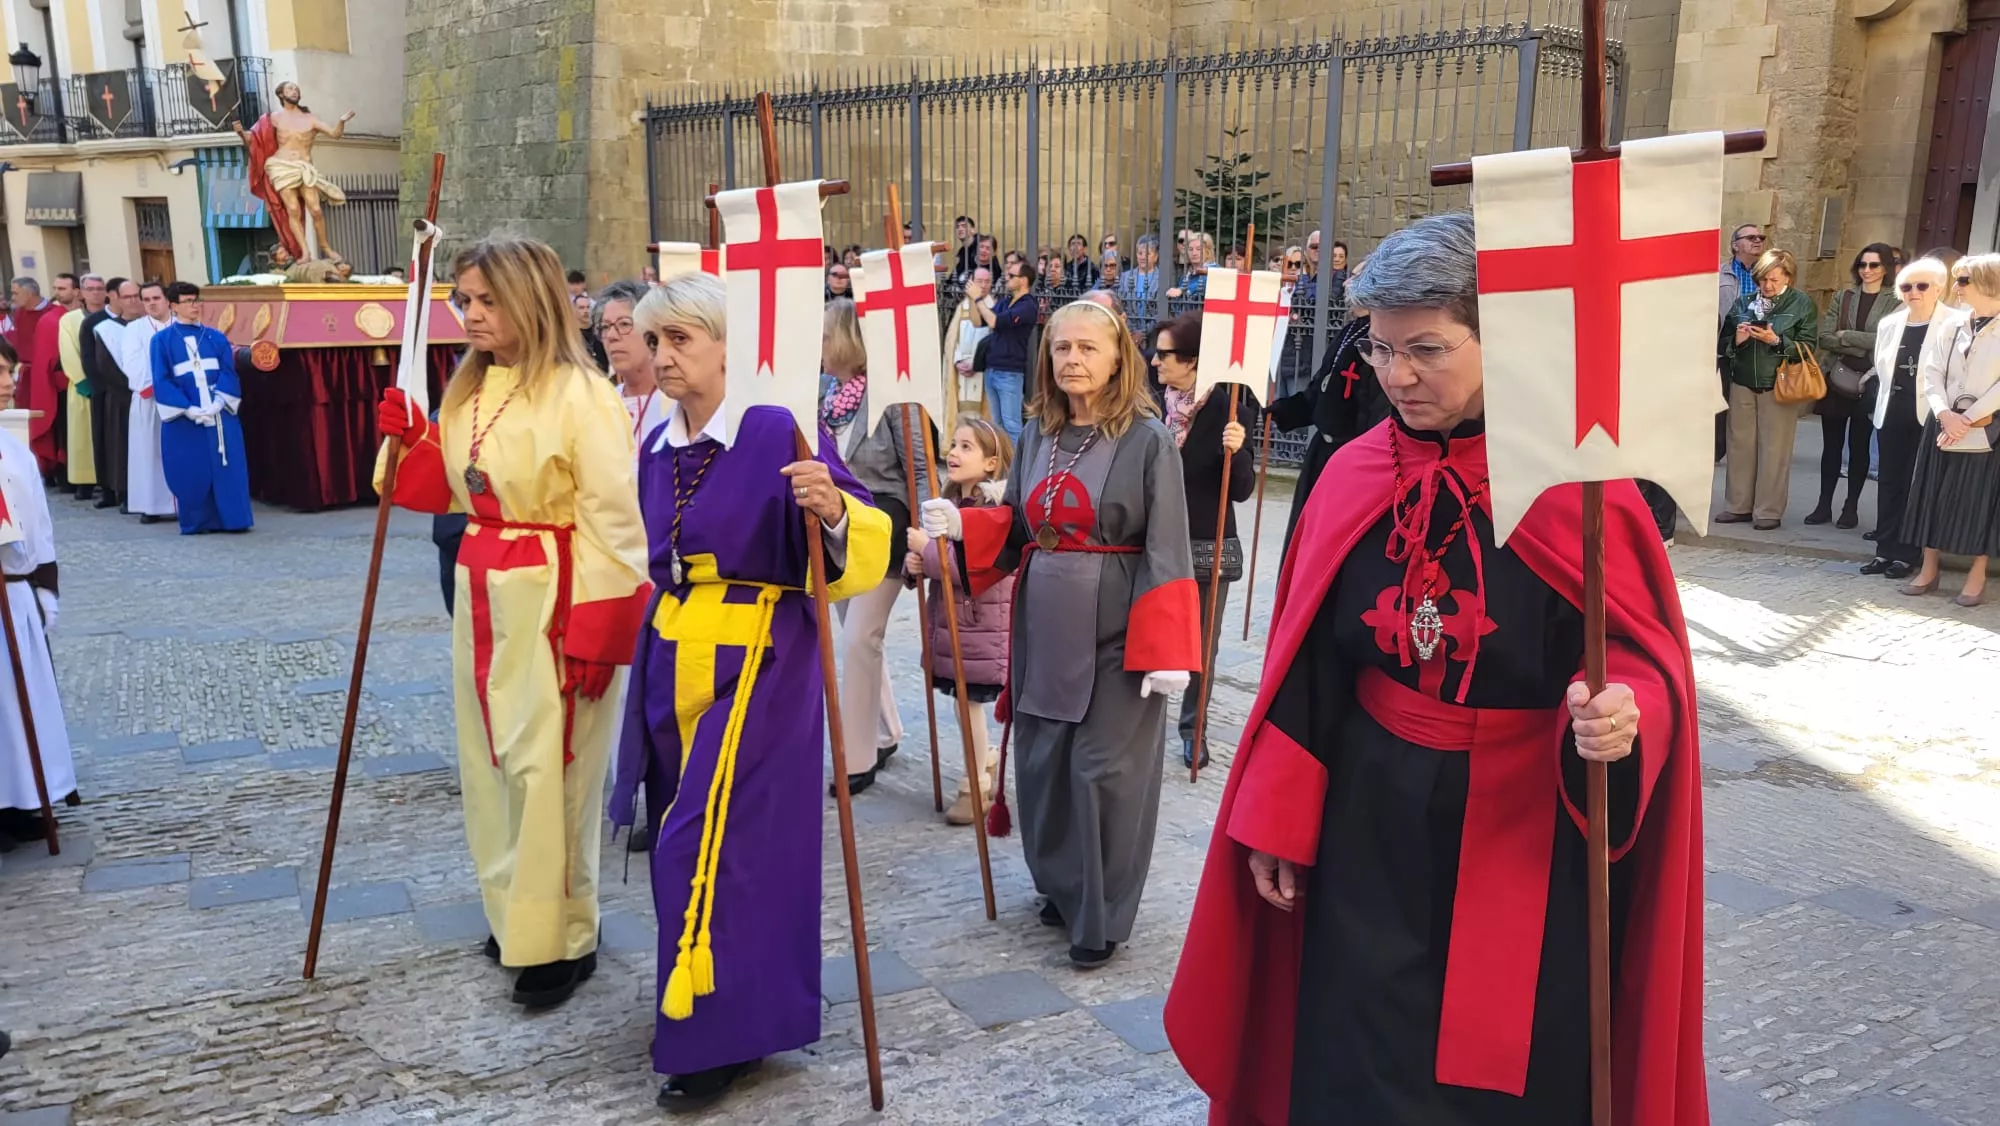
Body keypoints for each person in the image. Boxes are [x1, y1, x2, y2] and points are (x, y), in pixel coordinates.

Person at [1165, 212, 1705, 1126]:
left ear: (1499, 336)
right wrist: (1273, 819)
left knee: (1507, 1073)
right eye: (1378, 351)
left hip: (1530, 823)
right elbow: (1307, 669)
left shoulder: (1581, 489)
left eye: (1426, 349)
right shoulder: (1351, 475)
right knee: (1355, 1051)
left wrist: (1628, 712)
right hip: (1367, 818)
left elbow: (1643, 661)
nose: (1397, 376)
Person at [606, 274, 891, 1111]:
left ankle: (710, 1035)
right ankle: (717, 1001)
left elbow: (865, 536)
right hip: (674, 663)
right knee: (693, 840)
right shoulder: (660, 443)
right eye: (654, 342)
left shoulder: (776, 429)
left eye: (680, 340)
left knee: (712, 845)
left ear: (730, 346)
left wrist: (833, 507)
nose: (661, 357)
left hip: (759, 669)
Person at [373, 235, 652, 1009]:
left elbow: (616, 525)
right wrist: (412, 438)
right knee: (490, 763)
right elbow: (449, 489)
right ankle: (512, 915)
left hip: (554, 594)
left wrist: (600, 631)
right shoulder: (469, 385)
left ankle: (561, 935)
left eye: (487, 301)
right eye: (464, 300)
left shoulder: (580, 393)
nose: (470, 315)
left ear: (529, 300)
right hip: (482, 589)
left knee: (550, 769)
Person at [920, 299, 1201, 969]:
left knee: (1101, 770)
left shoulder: (1146, 438)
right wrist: (965, 526)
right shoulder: (1038, 432)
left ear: (1116, 360)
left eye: (1088, 348)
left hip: (1121, 630)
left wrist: (1170, 650)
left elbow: (1167, 545)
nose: (1072, 359)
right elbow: (1019, 526)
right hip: (1042, 620)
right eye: (1062, 348)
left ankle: (1099, 917)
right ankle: (1063, 884)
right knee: (1045, 762)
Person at [821, 298, 930, 792]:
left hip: (885, 524)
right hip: (840, 527)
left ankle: (857, 758)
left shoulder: (893, 398)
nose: (818, 347)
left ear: (849, 340)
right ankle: (884, 732)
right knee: (859, 639)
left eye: (825, 337)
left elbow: (922, 468)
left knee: (859, 638)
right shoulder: (829, 396)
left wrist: (928, 539)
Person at [1150, 311, 1255, 771]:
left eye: (1164, 355)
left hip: (1205, 540)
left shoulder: (1228, 407)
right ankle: (1143, 728)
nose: (1154, 362)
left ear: (1192, 361)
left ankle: (1194, 730)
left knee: (1201, 644)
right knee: (1152, 639)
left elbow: (1243, 490)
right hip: (1152, 540)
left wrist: (1239, 448)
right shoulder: (1151, 405)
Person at [905, 415, 1014, 826]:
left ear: (991, 462)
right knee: (962, 707)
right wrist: (914, 560)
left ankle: (975, 788)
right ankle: (984, 759)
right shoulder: (949, 504)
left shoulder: (992, 508)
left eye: (966, 446)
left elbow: (973, 566)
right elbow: (934, 559)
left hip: (980, 628)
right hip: (953, 627)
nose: (953, 452)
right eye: (953, 444)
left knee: (968, 707)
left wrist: (928, 552)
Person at [0, 337, 76, 851]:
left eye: (9, 372)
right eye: (0, 375)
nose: (9, 383)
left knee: (24, 704)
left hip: (17, 595)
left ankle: (30, 799)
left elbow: (40, 524)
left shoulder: (11, 444)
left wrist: (45, 584)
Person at [1899, 251, 2000, 606]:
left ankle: (1976, 575)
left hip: (1988, 425)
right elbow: (1932, 373)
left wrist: (1969, 418)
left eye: (1963, 280)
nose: (1956, 287)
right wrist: (1945, 414)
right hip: (1943, 422)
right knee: (1931, 495)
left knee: (1979, 501)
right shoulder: (1951, 325)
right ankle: (1928, 568)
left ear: (1988, 284)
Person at [1864, 257, 1964, 580]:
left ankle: (1908, 554)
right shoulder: (1889, 323)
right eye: (1906, 287)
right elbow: (1882, 368)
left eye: (1922, 286)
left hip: (1930, 414)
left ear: (1938, 289)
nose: (1914, 292)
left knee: (1916, 485)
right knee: (1889, 482)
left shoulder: (1954, 322)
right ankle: (1884, 550)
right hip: (1892, 410)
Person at [1718, 247, 1818, 530]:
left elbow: (1809, 347)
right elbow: (1722, 344)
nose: (1768, 285)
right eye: (1763, 279)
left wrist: (1776, 340)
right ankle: (1738, 506)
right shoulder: (1743, 303)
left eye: (1774, 279)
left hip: (1780, 383)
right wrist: (1737, 340)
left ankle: (1768, 511)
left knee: (1774, 449)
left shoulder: (1801, 304)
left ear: (1788, 277)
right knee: (1740, 446)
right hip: (1742, 381)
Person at [148, 283, 252, 535]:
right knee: (192, 467)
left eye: (196, 300)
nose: (194, 306)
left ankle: (233, 519)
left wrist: (219, 401)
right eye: (187, 301)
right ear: (173, 306)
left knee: (227, 465)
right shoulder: (161, 340)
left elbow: (228, 371)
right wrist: (188, 408)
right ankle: (198, 521)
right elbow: (161, 379)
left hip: (219, 413)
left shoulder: (215, 337)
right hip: (187, 416)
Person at [1810, 243, 1900, 528]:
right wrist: (1863, 340)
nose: (1867, 271)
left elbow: (1887, 340)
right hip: (1837, 376)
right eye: (1862, 265)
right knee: (1831, 447)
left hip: (1869, 379)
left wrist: (1848, 335)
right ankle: (1824, 504)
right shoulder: (1844, 296)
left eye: (1874, 265)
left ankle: (1851, 507)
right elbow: (1824, 337)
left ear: (1885, 268)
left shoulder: (1896, 300)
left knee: (1859, 447)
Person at [233, 80, 358, 266]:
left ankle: (326, 247)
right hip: (281, 166)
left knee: (315, 209)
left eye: (296, 89)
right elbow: (254, 140)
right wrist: (241, 132)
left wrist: (341, 121)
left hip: (304, 167)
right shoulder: (272, 118)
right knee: (293, 210)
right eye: (290, 88)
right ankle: (305, 252)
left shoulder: (310, 119)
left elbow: (334, 134)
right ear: (281, 95)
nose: (294, 91)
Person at [117, 283, 177, 525]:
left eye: (156, 298)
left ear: (167, 300)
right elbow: (131, 362)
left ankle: (185, 501)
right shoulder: (134, 329)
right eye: (146, 299)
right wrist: (158, 385)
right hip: (150, 398)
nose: (151, 303)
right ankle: (152, 505)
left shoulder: (181, 324)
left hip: (182, 399)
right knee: (150, 452)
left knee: (180, 451)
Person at [598, 280, 673, 451]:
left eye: (624, 324)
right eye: (605, 327)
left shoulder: (675, 402)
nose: (611, 336)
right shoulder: (602, 404)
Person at [972, 260, 1039, 443]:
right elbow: (979, 322)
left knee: (1011, 424)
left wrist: (978, 299)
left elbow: (995, 322)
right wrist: (974, 298)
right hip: (992, 369)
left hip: (1010, 372)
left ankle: (1017, 468)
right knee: (998, 425)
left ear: (1023, 280)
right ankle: (1003, 466)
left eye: (1011, 276)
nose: (1006, 278)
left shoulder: (1027, 306)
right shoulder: (1005, 301)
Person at [58, 275, 103, 501]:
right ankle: (84, 483)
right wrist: (83, 381)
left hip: (110, 387)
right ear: (81, 293)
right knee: (83, 438)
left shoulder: (111, 317)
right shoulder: (69, 320)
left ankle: (108, 480)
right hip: (82, 386)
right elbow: (68, 352)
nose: (95, 293)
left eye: (99, 289)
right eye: (90, 289)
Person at [81, 277, 125, 509]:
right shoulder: (94, 323)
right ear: (113, 295)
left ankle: (127, 490)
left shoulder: (133, 321)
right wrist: (101, 387)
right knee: (103, 440)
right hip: (104, 392)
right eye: (125, 296)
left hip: (128, 392)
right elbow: (89, 358)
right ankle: (107, 490)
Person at [941, 266, 994, 420]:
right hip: (961, 369)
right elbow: (952, 339)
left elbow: (993, 341)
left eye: (987, 281)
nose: (983, 285)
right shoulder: (961, 308)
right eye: (979, 281)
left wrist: (976, 363)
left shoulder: (993, 308)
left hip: (981, 370)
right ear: (971, 282)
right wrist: (957, 360)